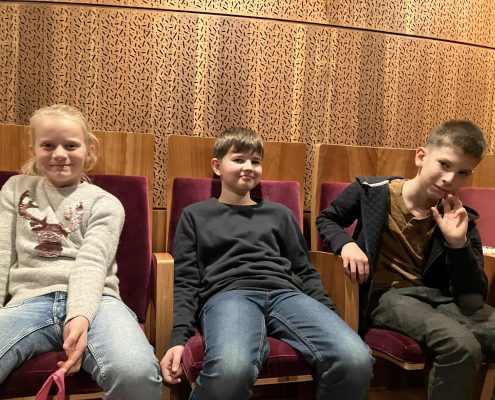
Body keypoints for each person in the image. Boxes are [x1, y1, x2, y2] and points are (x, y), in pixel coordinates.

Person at [160, 127, 374, 400]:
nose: (248, 167)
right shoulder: (195, 215)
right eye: (238, 159)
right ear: (217, 166)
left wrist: (329, 315)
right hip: (229, 295)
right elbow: (186, 280)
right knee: (231, 370)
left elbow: (305, 270)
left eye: (255, 161)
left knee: (356, 359)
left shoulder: (280, 214)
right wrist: (178, 338)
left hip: (287, 294)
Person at [316, 120, 495, 400]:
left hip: (435, 297)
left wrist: (457, 244)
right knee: (460, 345)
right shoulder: (373, 191)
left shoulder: (459, 218)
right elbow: (327, 219)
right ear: (421, 156)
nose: (450, 179)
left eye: (462, 172)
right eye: (444, 164)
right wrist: (346, 244)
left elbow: (473, 296)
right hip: (385, 295)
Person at [0, 104, 162, 399]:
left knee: (136, 373)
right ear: (33, 150)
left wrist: (79, 316)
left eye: (71, 145)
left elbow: (92, 263)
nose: (59, 154)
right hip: (27, 301)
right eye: (48, 145)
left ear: (88, 151)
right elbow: (1, 254)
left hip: (99, 302)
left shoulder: (106, 203)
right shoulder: (15, 189)